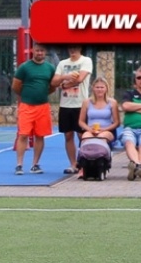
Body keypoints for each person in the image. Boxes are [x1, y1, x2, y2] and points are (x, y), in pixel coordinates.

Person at [11, 43, 55, 174]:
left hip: (43, 107)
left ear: (45, 52)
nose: (39, 53)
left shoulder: (50, 68)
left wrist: (42, 94)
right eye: (37, 50)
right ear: (32, 51)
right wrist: (27, 95)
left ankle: (35, 164)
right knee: (23, 134)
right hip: (26, 106)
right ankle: (19, 165)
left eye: (42, 51)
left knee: (40, 136)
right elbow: (15, 86)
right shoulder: (24, 67)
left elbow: (52, 86)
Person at [52, 45, 92, 174]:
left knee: (82, 135)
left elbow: (80, 79)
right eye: (70, 47)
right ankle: (73, 164)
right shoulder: (63, 63)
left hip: (80, 105)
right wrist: (65, 77)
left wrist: (63, 85)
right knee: (68, 135)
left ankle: (85, 163)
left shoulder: (86, 61)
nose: (72, 50)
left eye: (75, 47)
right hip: (65, 105)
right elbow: (53, 82)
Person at [74, 77, 118, 180]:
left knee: (101, 137)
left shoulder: (112, 102)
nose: (99, 89)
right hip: (91, 129)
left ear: (106, 88)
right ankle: (81, 165)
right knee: (85, 137)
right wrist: (89, 129)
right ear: (93, 88)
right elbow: (81, 121)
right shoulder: (86, 102)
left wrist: (104, 129)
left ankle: (104, 162)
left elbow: (116, 122)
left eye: (102, 87)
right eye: (97, 87)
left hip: (107, 130)